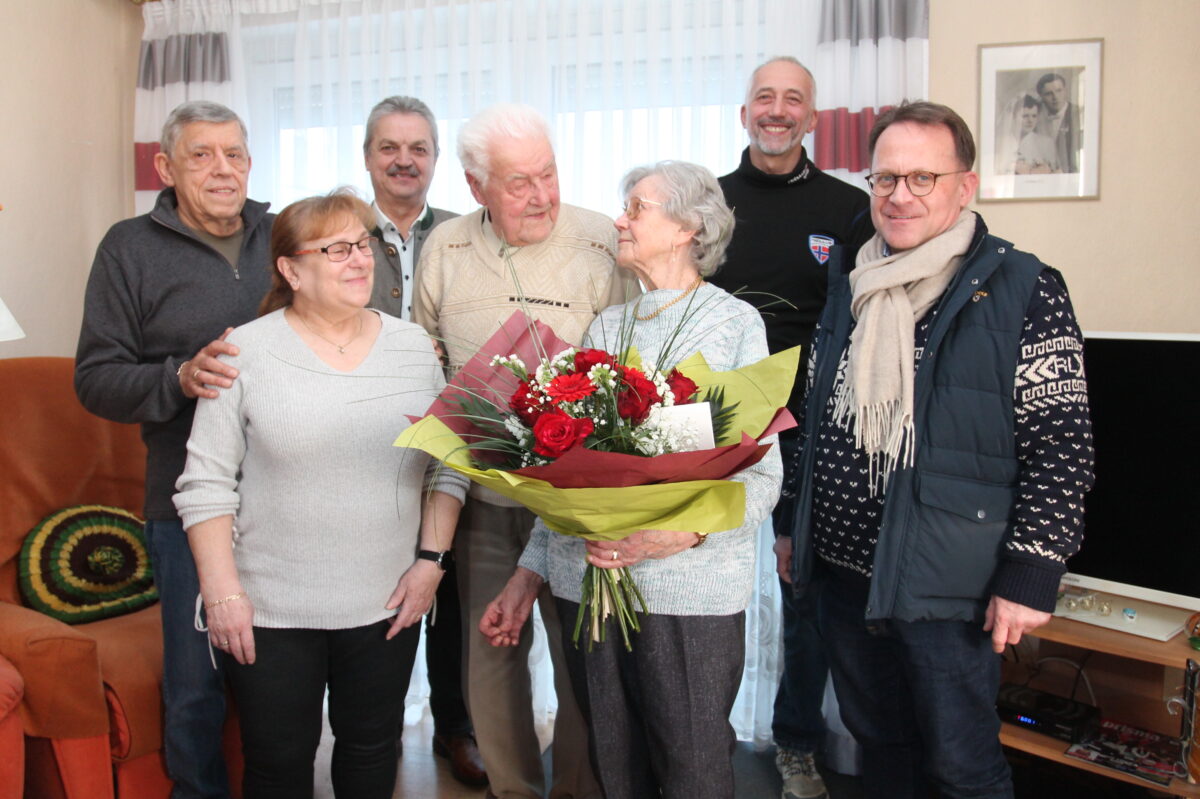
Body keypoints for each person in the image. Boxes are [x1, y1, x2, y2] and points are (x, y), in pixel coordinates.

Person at [786, 101, 1094, 798]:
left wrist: (1031, 572)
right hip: (844, 580)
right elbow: (814, 414)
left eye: (923, 178)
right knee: (879, 750)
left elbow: (1062, 444)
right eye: (885, 178)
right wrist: (790, 524)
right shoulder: (851, 282)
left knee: (963, 769)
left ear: (965, 186)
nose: (900, 195)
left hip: (949, 590)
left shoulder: (1023, 287)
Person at [480, 160, 784, 799]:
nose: (619, 220)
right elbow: (566, 479)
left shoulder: (734, 325)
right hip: (587, 585)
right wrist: (527, 574)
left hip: (688, 593)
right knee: (614, 770)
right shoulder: (605, 328)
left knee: (694, 773)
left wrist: (681, 535)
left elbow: (762, 477)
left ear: (687, 227)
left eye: (636, 208)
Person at [173, 190, 468, 799]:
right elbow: (205, 485)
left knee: (371, 755)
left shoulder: (414, 347)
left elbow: (448, 465)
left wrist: (431, 564)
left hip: (388, 600)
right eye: (337, 249)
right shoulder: (242, 350)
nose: (360, 259)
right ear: (291, 269)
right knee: (277, 767)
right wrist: (222, 595)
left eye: (363, 244)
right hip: (270, 608)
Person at [413, 103, 635, 799]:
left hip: (575, 501)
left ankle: (576, 790)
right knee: (492, 651)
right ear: (476, 187)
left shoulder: (600, 241)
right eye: (519, 183)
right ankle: (513, 789)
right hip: (481, 495)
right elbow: (427, 360)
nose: (542, 195)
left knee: (582, 660)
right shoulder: (444, 248)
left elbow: (629, 366)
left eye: (549, 174)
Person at [75, 100, 273, 799]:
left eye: (234, 154)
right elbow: (94, 378)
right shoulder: (128, 248)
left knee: (282, 683)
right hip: (183, 501)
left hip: (288, 500)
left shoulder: (282, 235)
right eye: (201, 155)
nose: (222, 169)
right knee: (196, 688)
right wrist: (179, 376)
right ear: (164, 166)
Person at [708, 55, 874, 799]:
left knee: (803, 592)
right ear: (744, 113)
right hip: (715, 424)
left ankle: (797, 743)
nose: (777, 110)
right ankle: (696, 732)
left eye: (793, 99)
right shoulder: (709, 200)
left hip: (811, 432)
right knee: (702, 582)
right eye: (764, 98)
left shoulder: (849, 208)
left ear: (811, 116)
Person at [361, 94, 486, 787]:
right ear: (368, 157)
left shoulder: (465, 237)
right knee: (379, 587)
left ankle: (456, 728)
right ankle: (373, 733)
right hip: (370, 443)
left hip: (452, 439)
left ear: (436, 160)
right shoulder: (342, 234)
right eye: (390, 147)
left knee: (453, 592)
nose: (404, 160)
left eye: (418, 148)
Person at [1034, 72, 1081, 173]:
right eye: (1048, 94)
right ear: (1041, 96)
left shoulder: (1078, 113)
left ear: (1065, 90)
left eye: (1059, 91)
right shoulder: (1035, 117)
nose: (1055, 97)